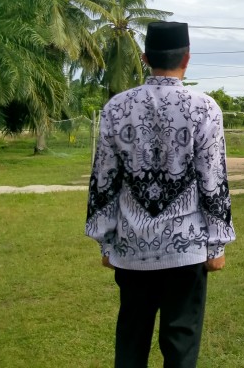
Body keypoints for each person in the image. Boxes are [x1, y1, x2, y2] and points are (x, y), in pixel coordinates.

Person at [86, 21, 235, 367]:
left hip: (132, 249)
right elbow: (212, 178)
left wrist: (106, 242)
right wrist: (216, 246)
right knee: (181, 347)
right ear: (187, 58)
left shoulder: (116, 108)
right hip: (186, 251)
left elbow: (104, 179)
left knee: (131, 343)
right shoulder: (204, 108)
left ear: (145, 58)